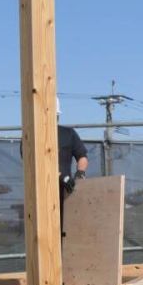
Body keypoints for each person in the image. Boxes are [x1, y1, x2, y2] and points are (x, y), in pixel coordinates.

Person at [56, 98, 88, 238]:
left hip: (66, 192)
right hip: (41, 194)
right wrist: (60, 176)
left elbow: (82, 156)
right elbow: (31, 162)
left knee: (67, 231)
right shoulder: (32, 135)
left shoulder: (68, 134)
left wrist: (80, 174)